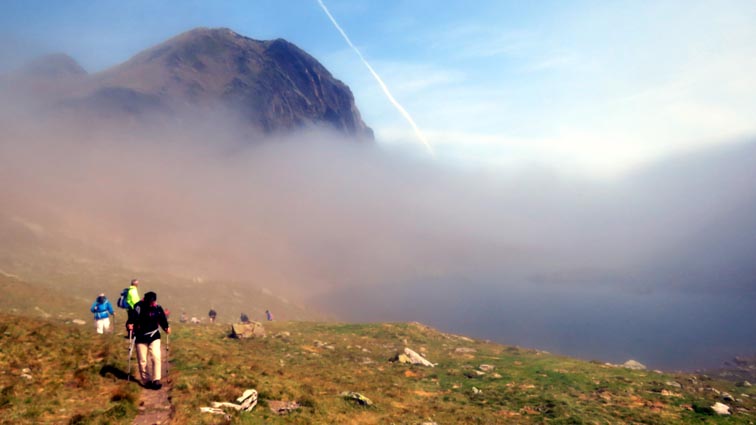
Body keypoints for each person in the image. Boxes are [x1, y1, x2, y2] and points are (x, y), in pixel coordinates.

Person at [127, 291, 170, 390]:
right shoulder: (138, 307)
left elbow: (162, 318)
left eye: (154, 301)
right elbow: (132, 318)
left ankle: (156, 380)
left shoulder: (157, 308)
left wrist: (166, 327)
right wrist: (130, 324)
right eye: (151, 302)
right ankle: (146, 381)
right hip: (141, 336)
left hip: (154, 335)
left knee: (156, 356)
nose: (153, 303)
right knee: (142, 360)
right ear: (146, 300)